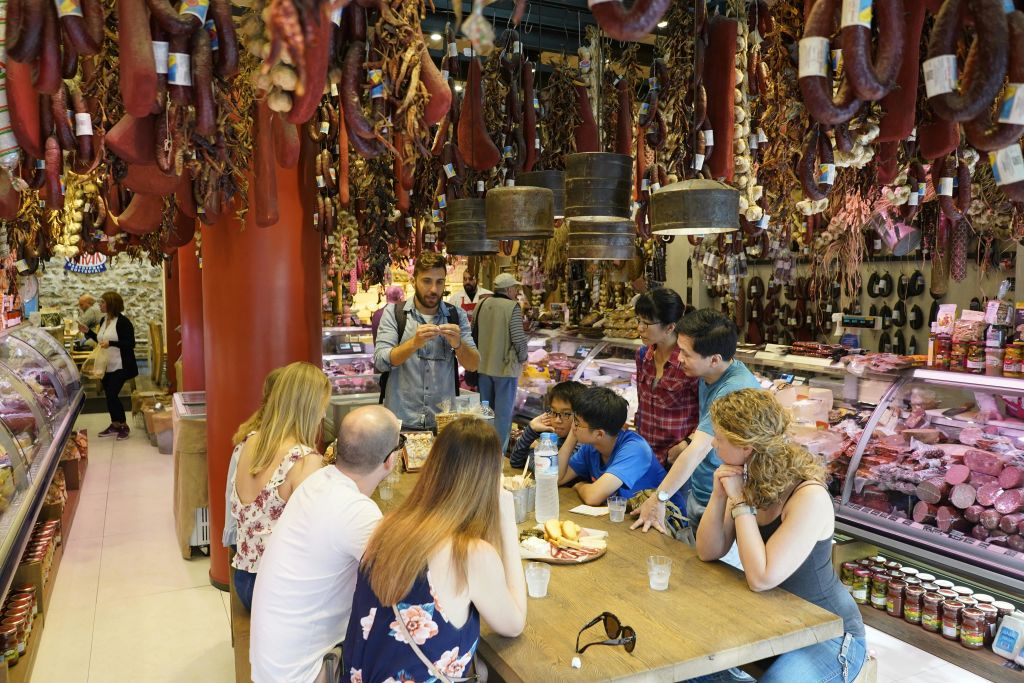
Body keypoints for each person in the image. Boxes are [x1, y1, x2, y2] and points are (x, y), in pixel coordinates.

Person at [693, 389, 865, 683]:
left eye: (719, 436)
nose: (713, 442)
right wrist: (720, 494)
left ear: (746, 446)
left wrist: (740, 503)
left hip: (827, 634)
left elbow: (761, 579)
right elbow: (708, 550)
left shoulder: (807, 496)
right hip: (771, 622)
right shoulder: (748, 477)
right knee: (691, 667)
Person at [343, 417, 527, 682]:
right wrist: (508, 524)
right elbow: (514, 624)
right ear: (488, 482)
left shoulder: (387, 526)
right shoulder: (471, 554)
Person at [250, 405, 401, 683]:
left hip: (270, 664)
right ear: (390, 460)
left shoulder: (317, 480)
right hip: (305, 674)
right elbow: (400, 585)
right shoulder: (357, 512)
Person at [632, 309, 760, 538]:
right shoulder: (710, 373)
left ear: (714, 359)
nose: (679, 359)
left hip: (726, 503)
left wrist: (659, 498)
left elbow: (699, 448)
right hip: (703, 492)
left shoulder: (733, 389)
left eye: (686, 354)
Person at [231, 361, 329, 611]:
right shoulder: (305, 460)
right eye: (322, 407)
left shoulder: (248, 442)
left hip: (244, 580)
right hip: (278, 589)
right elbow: (317, 535)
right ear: (308, 408)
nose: (324, 415)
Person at [374, 253, 480, 430]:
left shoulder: (456, 315)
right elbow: (381, 361)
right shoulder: (394, 313)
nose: (433, 289)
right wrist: (413, 343)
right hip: (401, 422)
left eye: (439, 282)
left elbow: (474, 364)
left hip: (443, 423)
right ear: (413, 281)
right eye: (427, 281)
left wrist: (459, 344)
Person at [556, 387, 685, 510]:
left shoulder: (635, 449)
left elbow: (593, 497)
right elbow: (557, 478)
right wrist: (572, 437)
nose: (573, 426)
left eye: (577, 422)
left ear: (599, 434)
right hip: (627, 518)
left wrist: (580, 485)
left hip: (664, 522)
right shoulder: (591, 447)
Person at [633, 289, 699, 472]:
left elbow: (708, 415)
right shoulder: (641, 356)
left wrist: (686, 444)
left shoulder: (689, 362)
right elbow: (642, 403)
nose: (639, 328)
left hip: (678, 459)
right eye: (638, 320)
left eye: (646, 323)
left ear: (670, 327)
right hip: (645, 455)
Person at [223, 367, 284, 551]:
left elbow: (230, 492)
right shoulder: (274, 445)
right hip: (264, 548)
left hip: (245, 541)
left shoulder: (249, 437)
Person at [474, 273, 529, 452]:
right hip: (505, 370)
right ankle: (497, 453)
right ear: (508, 289)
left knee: (485, 414)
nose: (516, 293)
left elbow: (473, 331)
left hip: (483, 367)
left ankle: (482, 450)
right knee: (502, 417)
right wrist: (524, 358)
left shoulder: (481, 304)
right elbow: (518, 339)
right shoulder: (512, 307)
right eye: (515, 289)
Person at [84, 291, 138, 440]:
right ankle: (114, 424)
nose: (100, 305)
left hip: (121, 365)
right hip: (106, 365)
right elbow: (101, 339)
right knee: (109, 396)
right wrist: (88, 332)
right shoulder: (103, 321)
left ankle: (123, 426)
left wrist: (112, 343)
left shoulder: (123, 322)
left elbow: (130, 344)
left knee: (113, 394)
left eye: (102, 302)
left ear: (111, 304)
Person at [509, 380, 585, 470]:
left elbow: (549, 471)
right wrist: (532, 429)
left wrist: (531, 454)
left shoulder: (581, 445)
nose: (557, 420)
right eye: (553, 412)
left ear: (581, 415)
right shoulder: (556, 438)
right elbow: (516, 461)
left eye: (566, 414)